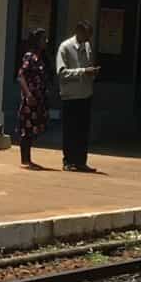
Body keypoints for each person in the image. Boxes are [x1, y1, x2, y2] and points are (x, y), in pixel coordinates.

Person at [55, 17, 99, 171]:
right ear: (78, 32)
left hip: (85, 95)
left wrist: (91, 73)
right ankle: (68, 161)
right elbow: (62, 73)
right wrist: (83, 72)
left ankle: (81, 161)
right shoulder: (65, 48)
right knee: (70, 130)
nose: (89, 38)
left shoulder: (87, 46)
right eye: (87, 34)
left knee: (83, 130)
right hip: (70, 96)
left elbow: (87, 66)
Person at [14, 32, 50, 167]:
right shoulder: (29, 56)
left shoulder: (41, 58)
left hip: (39, 98)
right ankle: (25, 159)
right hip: (30, 98)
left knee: (35, 126)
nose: (45, 41)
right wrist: (28, 94)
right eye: (43, 39)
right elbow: (21, 76)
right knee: (27, 127)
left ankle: (28, 158)